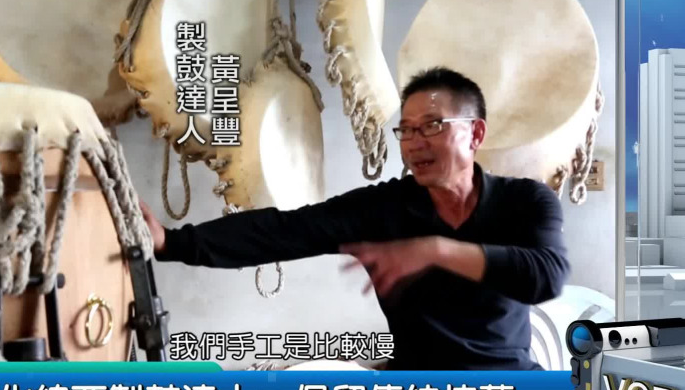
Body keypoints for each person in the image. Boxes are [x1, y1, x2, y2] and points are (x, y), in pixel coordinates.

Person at [141, 66, 571, 370]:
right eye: (406, 130)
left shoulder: (524, 201)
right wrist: (171, 242)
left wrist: (435, 251)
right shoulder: (383, 209)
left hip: (510, 386)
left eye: (432, 126)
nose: (415, 142)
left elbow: (546, 276)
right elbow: (283, 231)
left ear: (475, 133)